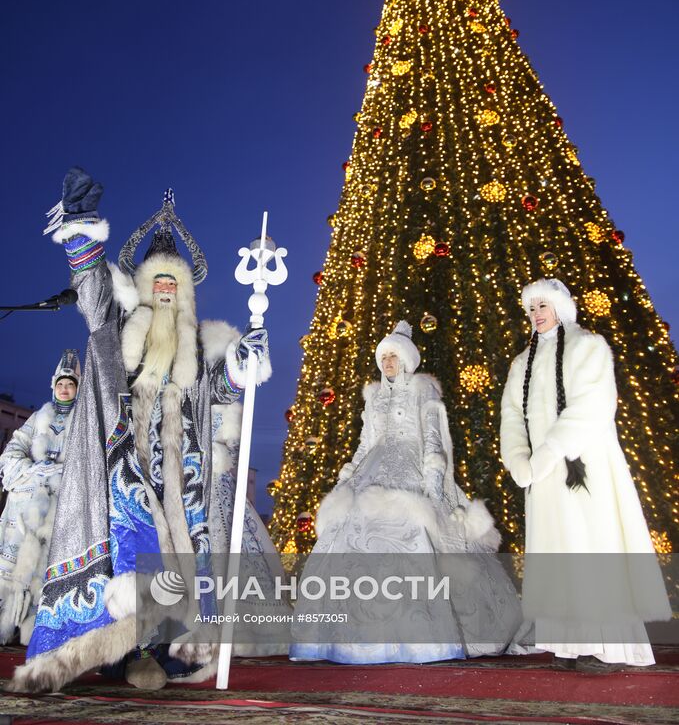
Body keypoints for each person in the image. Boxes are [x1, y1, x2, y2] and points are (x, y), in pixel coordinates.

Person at [8, 168, 272, 693]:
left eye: (175, 285)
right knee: (131, 558)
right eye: (160, 284)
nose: (168, 292)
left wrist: (243, 362)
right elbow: (91, 289)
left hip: (183, 477)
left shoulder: (197, 346)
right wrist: (81, 230)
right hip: (124, 469)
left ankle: (152, 655)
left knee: (179, 564)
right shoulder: (117, 334)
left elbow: (225, 386)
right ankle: (109, 653)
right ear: (146, 290)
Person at [290, 321, 526, 664]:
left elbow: (432, 433)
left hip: (410, 465)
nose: (387, 362)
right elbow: (364, 444)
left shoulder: (422, 389)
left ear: (406, 360)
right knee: (350, 532)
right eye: (383, 357)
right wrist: (347, 475)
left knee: (417, 529)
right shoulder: (372, 398)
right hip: (372, 467)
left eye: (393, 356)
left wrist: (433, 472)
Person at [500, 277, 671, 672]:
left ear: (560, 306)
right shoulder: (521, 362)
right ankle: (568, 643)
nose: (535, 315)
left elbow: (592, 406)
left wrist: (549, 452)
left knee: (590, 545)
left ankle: (609, 647)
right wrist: (519, 459)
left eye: (542, 306)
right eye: (530, 309)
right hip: (543, 478)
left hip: (583, 468)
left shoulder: (588, 347)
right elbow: (511, 414)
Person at [0, 351, 80, 645]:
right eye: (61, 383)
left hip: (60, 505)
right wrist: (32, 470)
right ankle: (5, 622)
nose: (64, 389)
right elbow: (11, 452)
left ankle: (35, 628)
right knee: (12, 566)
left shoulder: (83, 422)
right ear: (53, 386)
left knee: (45, 569)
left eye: (70, 385)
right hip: (26, 505)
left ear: (76, 389)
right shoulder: (37, 417)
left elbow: (88, 462)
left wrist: (60, 472)